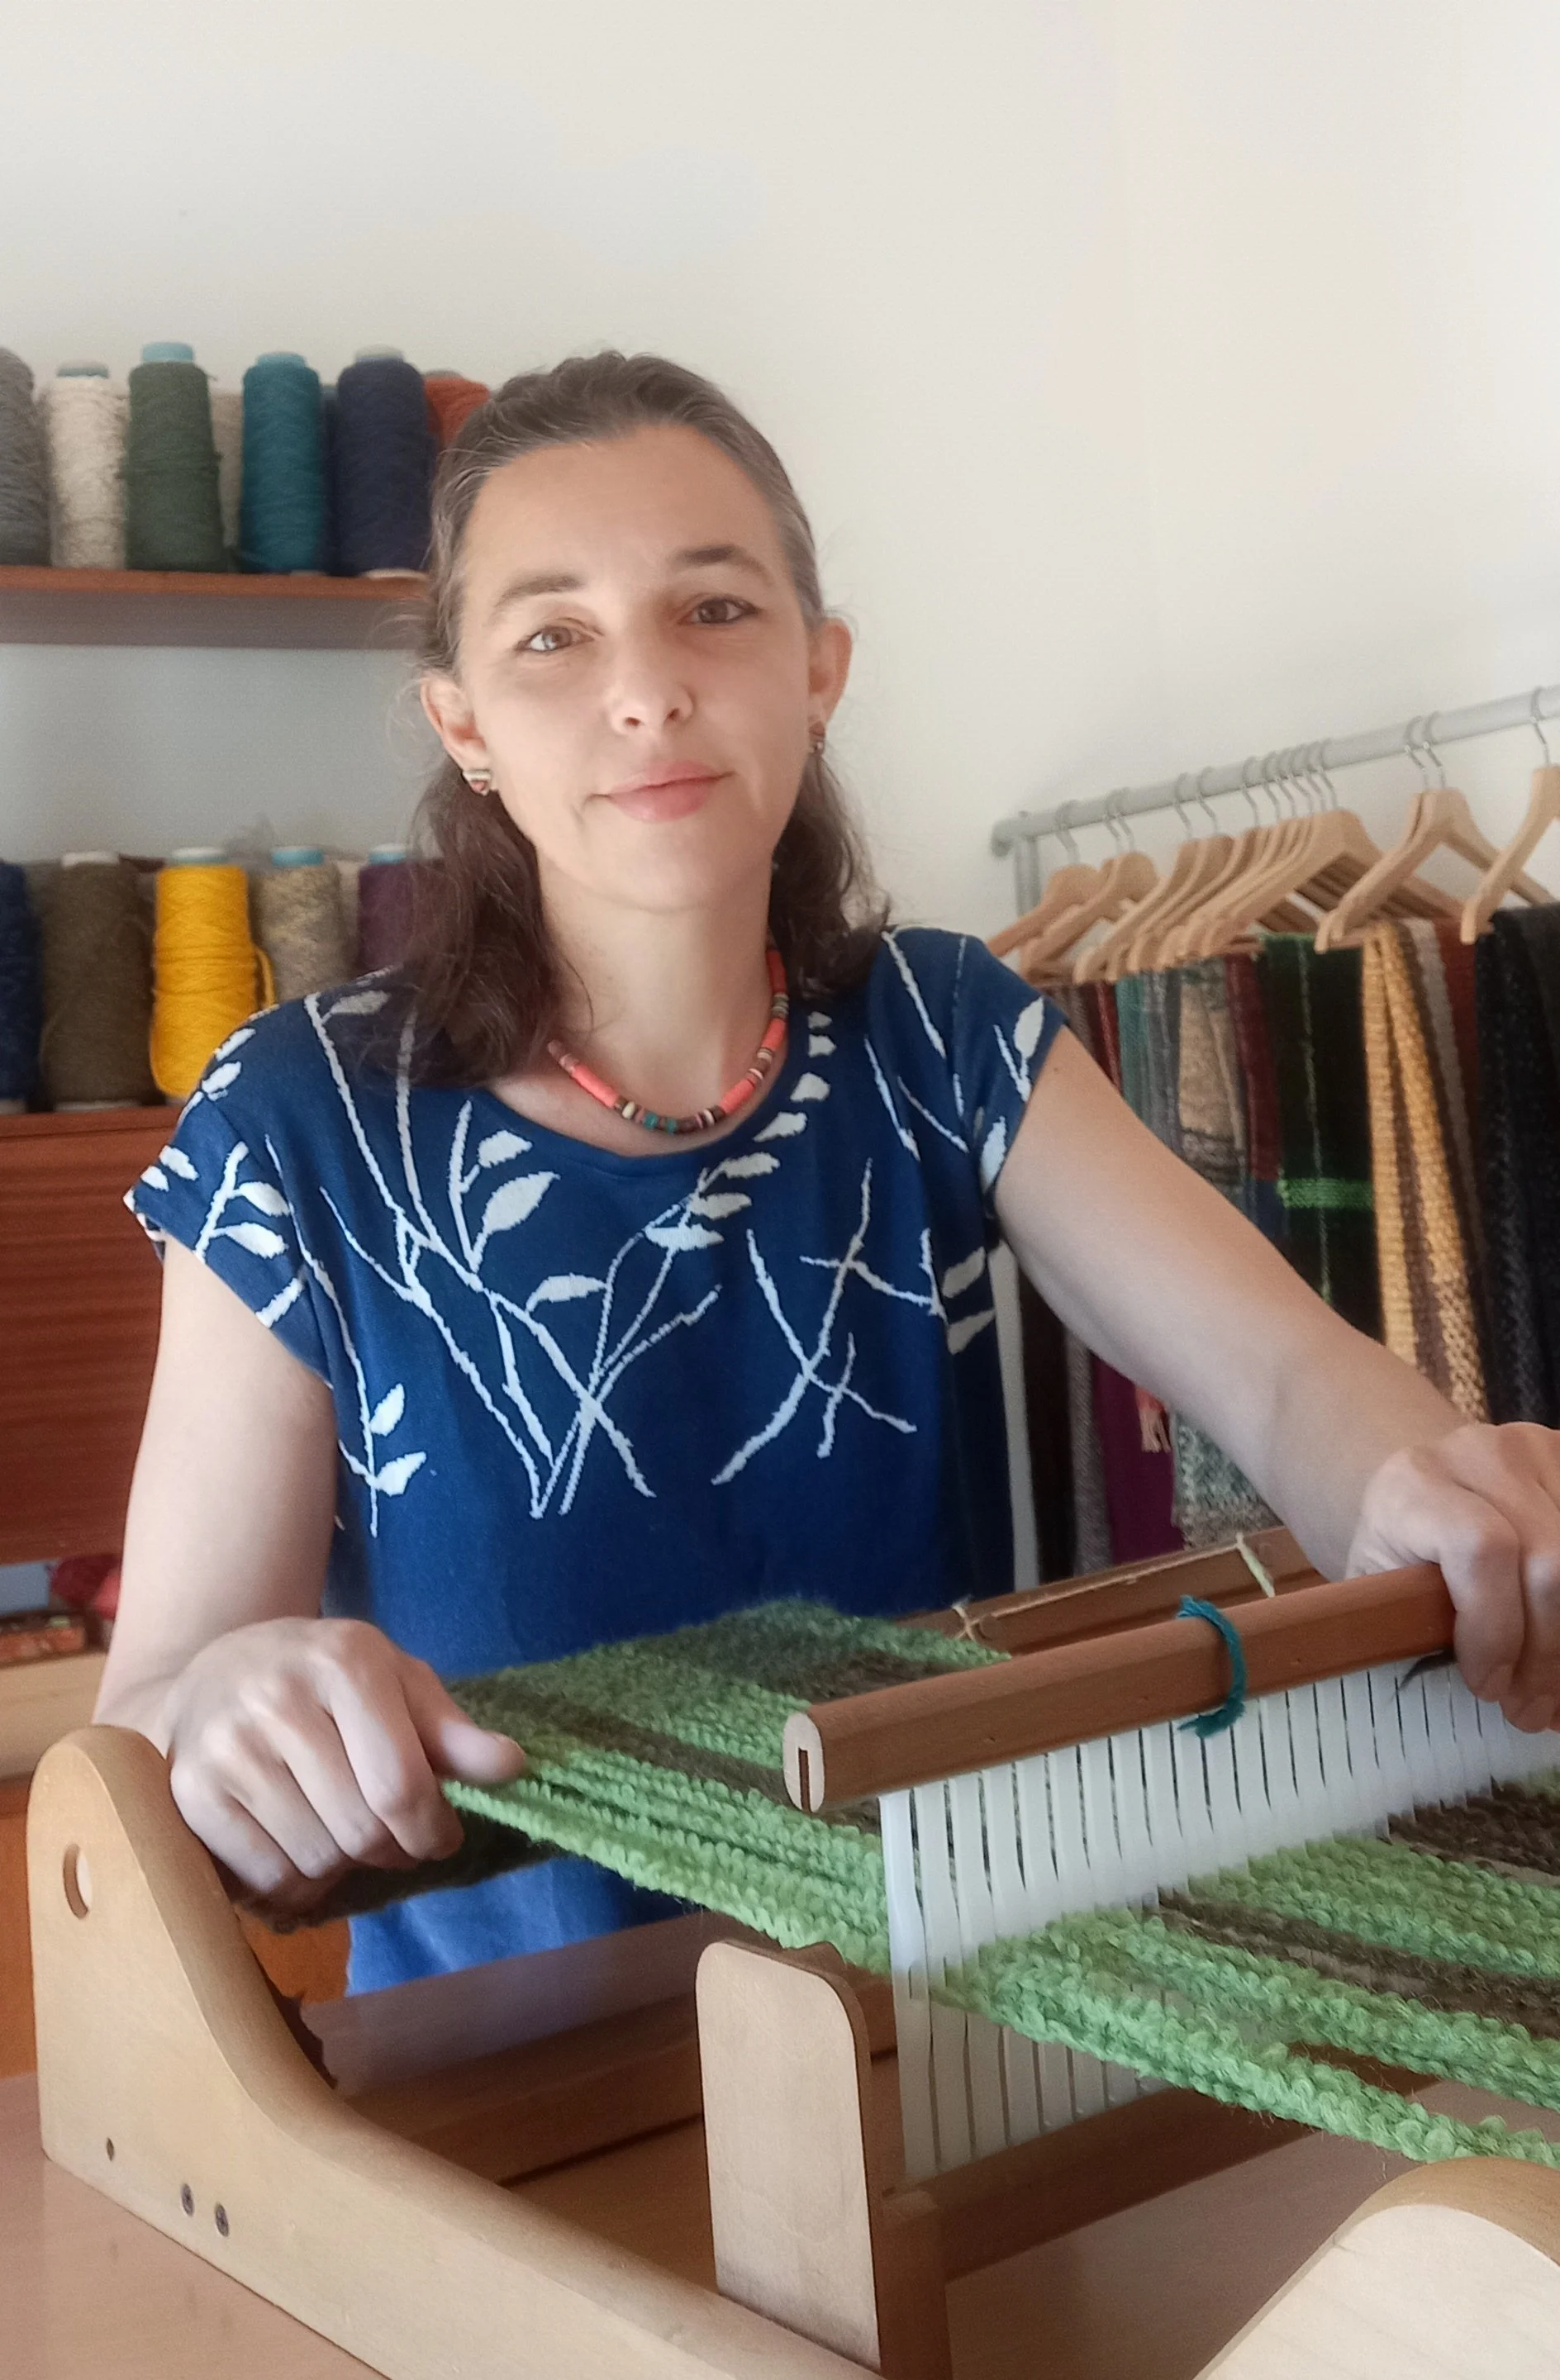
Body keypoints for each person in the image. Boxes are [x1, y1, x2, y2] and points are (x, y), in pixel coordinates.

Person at [100, 350, 1560, 1992]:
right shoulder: (297, 1120)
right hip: (512, 2080)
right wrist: (222, 1709)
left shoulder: (940, 1032)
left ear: (818, 669)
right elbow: (151, 1714)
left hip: (936, 2036)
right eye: (552, 637)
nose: (646, 691)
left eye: (713, 609)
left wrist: (1428, 1487)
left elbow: (1286, 1381)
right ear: (466, 724)